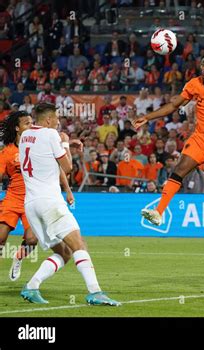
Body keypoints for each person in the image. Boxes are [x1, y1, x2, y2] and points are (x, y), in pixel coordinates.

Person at [18, 103, 120, 306]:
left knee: (63, 253)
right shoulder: (51, 135)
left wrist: (65, 144)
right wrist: (64, 143)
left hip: (31, 204)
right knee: (79, 245)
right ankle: (95, 292)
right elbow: (68, 168)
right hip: (50, 203)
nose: (58, 122)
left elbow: (44, 158)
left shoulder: (25, 137)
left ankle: (31, 286)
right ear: (48, 120)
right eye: (56, 118)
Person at [133, 53, 204, 240]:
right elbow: (174, 105)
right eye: (203, 64)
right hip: (199, 137)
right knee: (180, 168)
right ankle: (158, 212)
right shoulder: (194, 84)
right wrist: (148, 117)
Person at [0, 111, 38, 281]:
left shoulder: (38, 147)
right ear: (17, 128)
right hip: (13, 198)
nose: (31, 126)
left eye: (32, 123)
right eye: (27, 123)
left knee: (32, 240)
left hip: (32, 199)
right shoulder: (7, 152)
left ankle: (19, 258)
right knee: (0, 237)